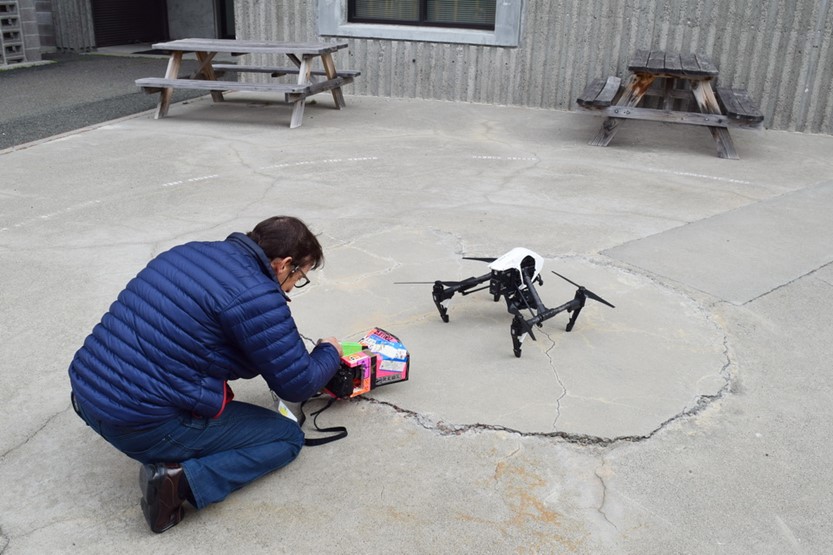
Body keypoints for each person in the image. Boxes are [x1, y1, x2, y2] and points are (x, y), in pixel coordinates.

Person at [68, 216, 343, 533]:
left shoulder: (189, 252)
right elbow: (298, 384)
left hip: (86, 393)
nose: (294, 285)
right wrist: (329, 352)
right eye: (300, 276)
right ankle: (178, 483)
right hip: (136, 424)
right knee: (285, 437)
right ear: (284, 264)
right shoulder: (257, 296)